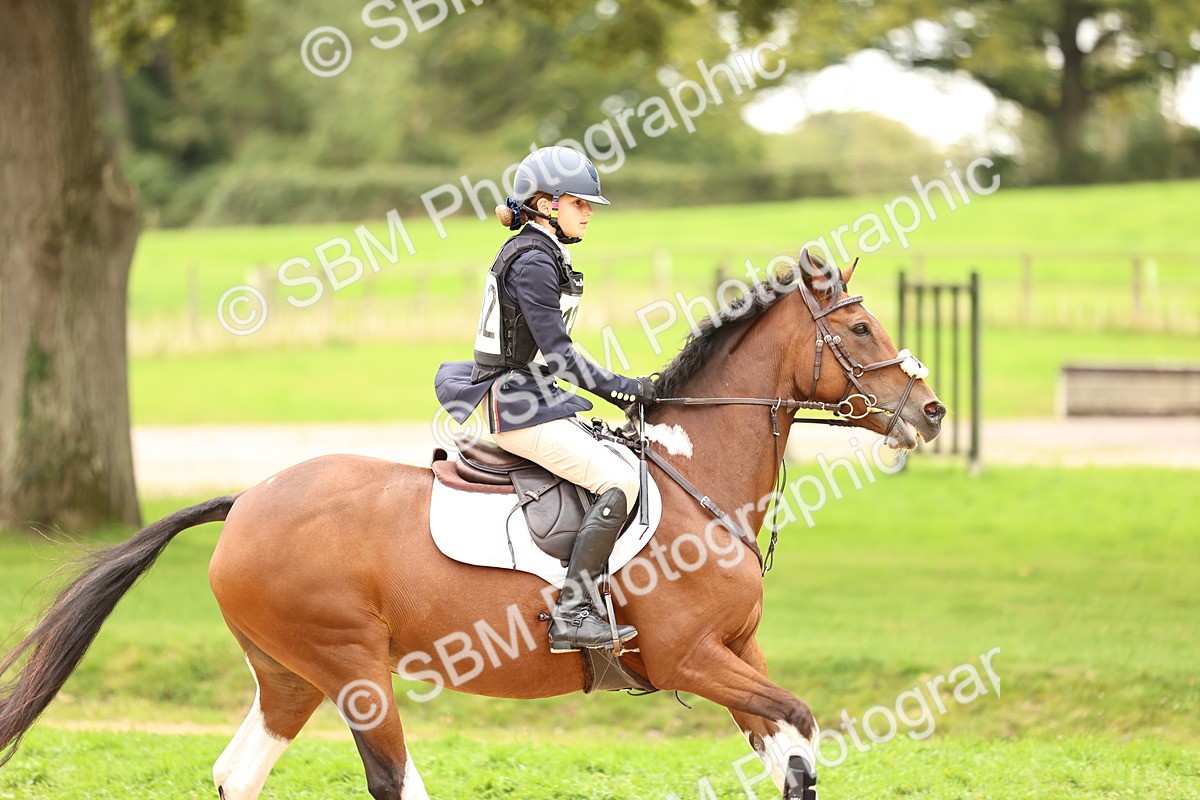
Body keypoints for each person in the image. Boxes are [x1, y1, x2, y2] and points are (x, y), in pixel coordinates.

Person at [434, 146, 655, 653]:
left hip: (527, 392)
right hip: (511, 400)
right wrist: (623, 389)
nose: (589, 212)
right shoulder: (534, 260)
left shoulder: (545, 251)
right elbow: (558, 354)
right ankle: (574, 610)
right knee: (617, 478)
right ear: (548, 204)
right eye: (581, 203)